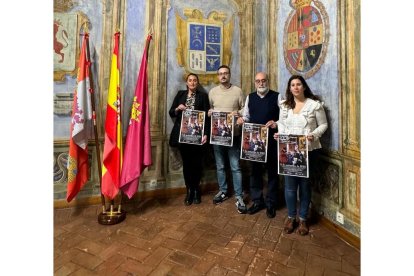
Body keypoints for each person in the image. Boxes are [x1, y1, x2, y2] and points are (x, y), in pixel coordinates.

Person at [274, 75, 328, 235]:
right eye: (293, 85)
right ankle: (291, 217)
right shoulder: (285, 105)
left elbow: (324, 124)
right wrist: (280, 135)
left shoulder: (314, 105)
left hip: (308, 151)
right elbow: (281, 124)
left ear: (304, 87)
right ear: (289, 88)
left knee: (304, 186)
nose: (296, 87)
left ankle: (303, 218)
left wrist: (314, 134)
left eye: (298, 84)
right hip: (289, 151)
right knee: (290, 187)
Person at [237, 72, 280, 218]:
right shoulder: (251, 97)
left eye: (263, 81)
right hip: (255, 143)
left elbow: (284, 118)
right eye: (258, 81)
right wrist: (242, 120)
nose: (261, 83)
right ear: (255, 83)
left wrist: (276, 124)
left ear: (268, 81)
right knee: (254, 172)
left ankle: (271, 203)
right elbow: (247, 116)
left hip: (272, 142)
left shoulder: (277, 96)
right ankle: (257, 201)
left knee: (272, 173)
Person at [208, 65, 246, 213]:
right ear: (218, 76)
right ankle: (223, 191)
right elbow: (210, 109)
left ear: (230, 75)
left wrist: (238, 113)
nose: (223, 76)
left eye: (226, 73)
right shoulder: (212, 92)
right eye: (221, 74)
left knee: (235, 167)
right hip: (217, 136)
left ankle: (239, 196)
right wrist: (210, 113)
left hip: (234, 136)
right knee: (220, 166)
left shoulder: (238, 91)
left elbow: (244, 109)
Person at [169, 73, 210, 206]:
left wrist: (205, 134)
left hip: (197, 136)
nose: (192, 82)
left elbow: (207, 117)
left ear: (197, 83)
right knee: (187, 164)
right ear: (187, 83)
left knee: (197, 164)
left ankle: (197, 190)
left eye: (195, 80)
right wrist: (177, 108)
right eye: (190, 80)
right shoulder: (181, 95)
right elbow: (171, 112)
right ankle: (189, 190)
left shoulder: (203, 96)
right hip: (183, 135)